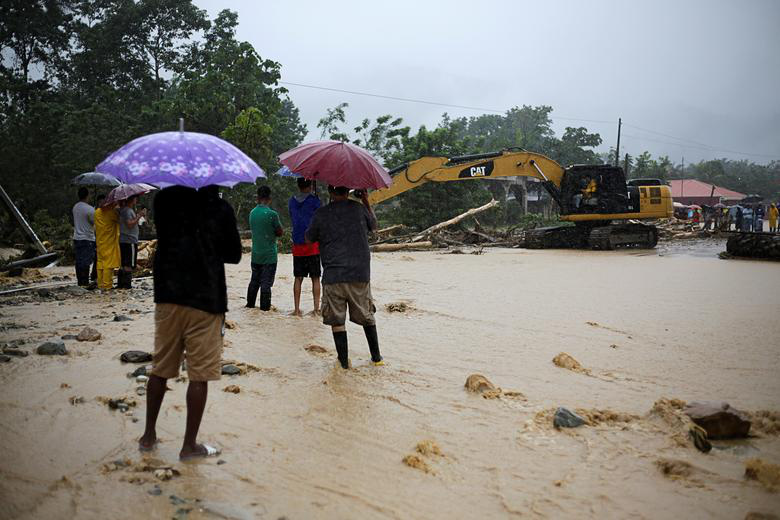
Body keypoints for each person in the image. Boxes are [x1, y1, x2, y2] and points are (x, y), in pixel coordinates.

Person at [139, 185, 241, 460]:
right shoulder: (219, 208)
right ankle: (188, 446)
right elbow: (233, 255)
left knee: (160, 367)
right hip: (206, 298)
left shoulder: (163, 200)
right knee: (199, 375)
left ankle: (148, 437)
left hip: (168, 294)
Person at [305, 186, 382, 369]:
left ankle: (343, 365)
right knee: (367, 316)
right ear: (348, 191)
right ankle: (377, 359)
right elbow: (374, 226)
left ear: (330, 192)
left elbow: (309, 239)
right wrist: (366, 200)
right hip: (359, 273)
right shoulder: (360, 209)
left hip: (333, 275)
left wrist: (315, 213)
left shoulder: (321, 213)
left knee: (337, 321)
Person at [288, 178, 322, 316]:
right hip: (312, 243)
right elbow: (319, 218)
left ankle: (296, 310)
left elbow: (293, 217)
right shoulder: (315, 201)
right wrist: (316, 199)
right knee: (315, 278)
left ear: (298, 185)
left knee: (298, 278)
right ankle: (316, 309)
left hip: (297, 243)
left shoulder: (291, 201)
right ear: (310, 185)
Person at [246, 186, 283, 310]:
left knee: (254, 282)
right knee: (266, 284)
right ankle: (265, 311)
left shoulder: (252, 213)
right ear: (269, 199)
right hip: (269, 256)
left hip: (255, 255)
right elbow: (279, 232)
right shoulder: (272, 214)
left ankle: (250, 306)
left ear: (257, 198)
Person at [118, 195, 146, 289]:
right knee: (129, 263)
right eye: (135, 198)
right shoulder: (127, 210)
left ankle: (121, 284)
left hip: (124, 239)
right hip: (129, 240)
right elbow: (130, 224)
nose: (136, 200)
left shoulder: (125, 210)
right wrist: (139, 215)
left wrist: (138, 215)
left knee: (124, 262)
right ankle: (126, 285)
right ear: (132, 199)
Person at [94, 196, 120, 291]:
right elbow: (119, 219)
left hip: (100, 241)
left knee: (100, 263)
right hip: (109, 241)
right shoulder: (110, 213)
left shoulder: (96, 212)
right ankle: (107, 285)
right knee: (108, 264)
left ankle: (100, 284)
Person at [72, 187, 97, 287]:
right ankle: (85, 282)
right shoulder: (90, 209)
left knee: (79, 260)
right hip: (87, 238)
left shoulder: (75, 207)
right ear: (87, 195)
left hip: (77, 237)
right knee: (86, 261)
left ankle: (80, 281)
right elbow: (94, 222)